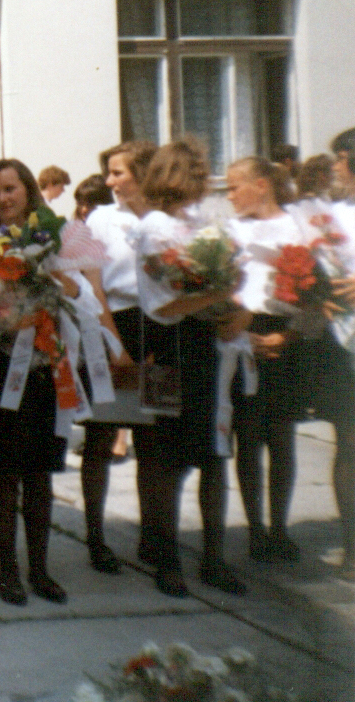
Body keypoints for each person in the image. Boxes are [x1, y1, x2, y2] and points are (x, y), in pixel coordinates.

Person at [131, 140, 249, 597]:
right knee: (168, 458)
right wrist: (217, 294)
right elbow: (165, 304)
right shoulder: (154, 228)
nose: (202, 181)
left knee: (214, 454)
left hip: (205, 345)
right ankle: (167, 559)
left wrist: (235, 301)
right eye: (195, 173)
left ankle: (214, 558)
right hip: (167, 346)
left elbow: (218, 280)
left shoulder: (198, 223)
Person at [0, 160, 77, 606]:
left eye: (10, 189)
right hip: (0, 369)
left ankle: (40, 568)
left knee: (39, 473)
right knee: (3, 473)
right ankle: (9, 569)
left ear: (28, 190)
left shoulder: (52, 238)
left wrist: (51, 286)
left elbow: (76, 291)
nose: (3, 199)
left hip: (43, 368)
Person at [78, 141, 157, 575]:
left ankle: (153, 535)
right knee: (100, 436)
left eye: (118, 172)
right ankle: (95, 536)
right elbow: (92, 285)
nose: (109, 181)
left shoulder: (163, 216)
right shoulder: (100, 218)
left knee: (154, 439)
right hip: (112, 325)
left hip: (158, 326)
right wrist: (114, 344)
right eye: (108, 172)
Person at [226, 155, 304, 564]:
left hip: (284, 332)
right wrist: (241, 333)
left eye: (234, 187)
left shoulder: (297, 225)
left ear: (261, 185)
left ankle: (280, 527)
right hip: (244, 331)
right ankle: (255, 527)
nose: (229, 196)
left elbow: (315, 291)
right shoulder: (232, 230)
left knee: (282, 437)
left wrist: (289, 335)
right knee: (249, 436)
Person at [322, 128, 355, 579]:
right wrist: (319, 295)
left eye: (340, 158)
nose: (334, 166)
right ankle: (352, 547)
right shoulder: (332, 216)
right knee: (349, 442)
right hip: (343, 339)